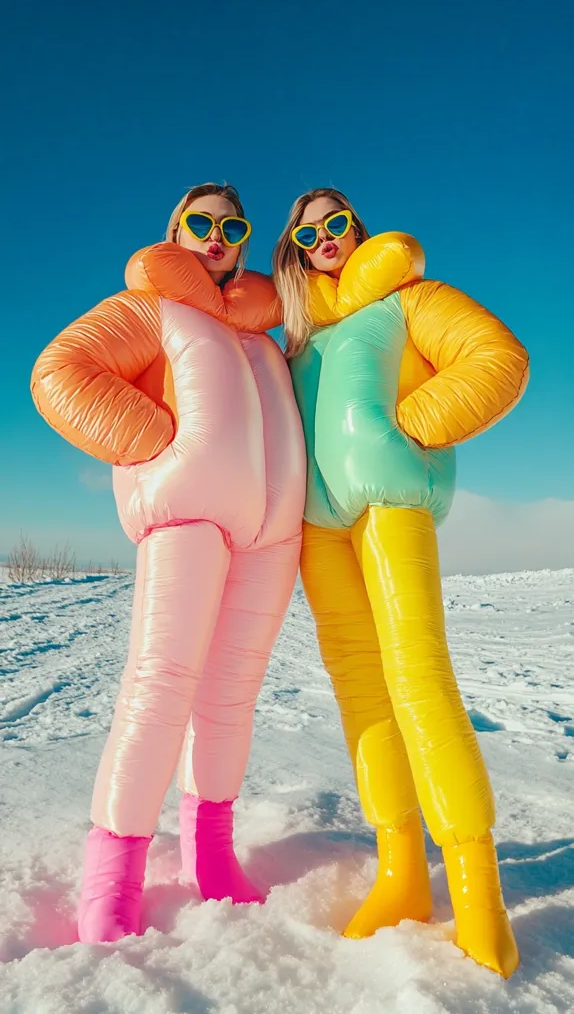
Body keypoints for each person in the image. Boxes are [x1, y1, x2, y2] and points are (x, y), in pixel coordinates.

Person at [31, 183, 306, 943]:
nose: (216, 235)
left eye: (232, 225)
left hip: (273, 534)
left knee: (229, 699)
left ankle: (210, 859)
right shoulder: (152, 304)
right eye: (201, 222)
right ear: (175, 229)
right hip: (189, 515)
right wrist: (160, 445)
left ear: (247, 241)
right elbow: (59, 373)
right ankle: (111, 881)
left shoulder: (263, 333)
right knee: (160, 688)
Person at [272, 188, 529, 978]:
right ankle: (401, 873)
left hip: (389, 507)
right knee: (361, 691)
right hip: (320, 532)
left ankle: (478, 892)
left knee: (419, 676)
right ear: (293, 245)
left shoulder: (408, 297)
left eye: (338, 223)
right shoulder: (298, 336)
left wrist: (402, 431)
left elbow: (498, 359)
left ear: (359, 227)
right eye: (308, 230)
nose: (325, 239)